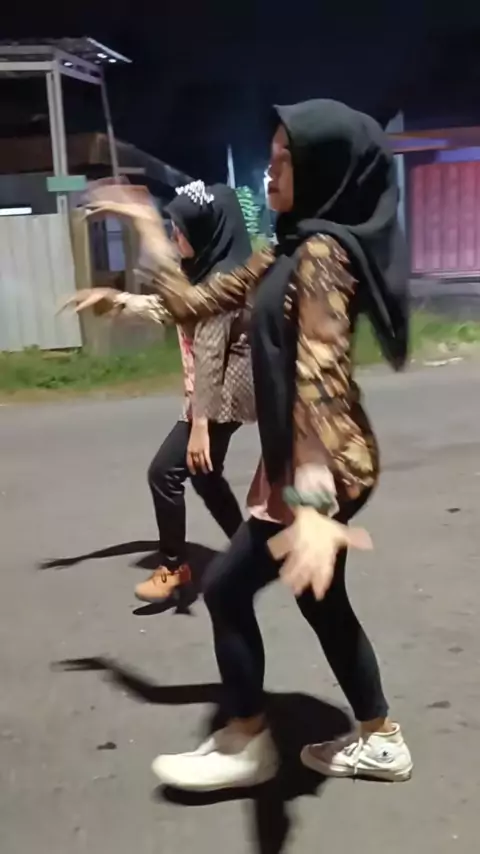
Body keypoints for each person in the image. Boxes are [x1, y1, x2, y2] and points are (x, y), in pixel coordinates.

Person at [76, 99, 412, 788]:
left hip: (323, 464)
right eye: (274, 156)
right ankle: (379, 736)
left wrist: (311, 506)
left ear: (323, 169)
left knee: (227, 589)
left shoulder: (321, 258)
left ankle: (246, 742)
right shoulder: (285, 250)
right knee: (319, 599)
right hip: (311, 459)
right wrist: (147, 228)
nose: (271, 170)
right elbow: (198, 301)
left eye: (287, 158)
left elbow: (320, 378)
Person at [72, 182, 255, 604]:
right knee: (205, 478)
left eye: (180, 230)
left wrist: (199, 424)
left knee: (165, 473)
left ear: (205, 233)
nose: (176, 237)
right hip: (213, 397)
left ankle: (174, 566)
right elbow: (172, 305)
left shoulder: (223, 283)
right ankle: (251, 551)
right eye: (171, 228)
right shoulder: (205, 271)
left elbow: (209, 355)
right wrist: (117, 300)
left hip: (219, 398)